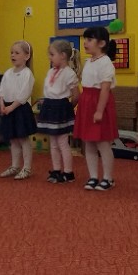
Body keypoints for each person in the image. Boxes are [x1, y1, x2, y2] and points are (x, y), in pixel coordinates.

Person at [73, 27, 118, 191]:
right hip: (87, 103)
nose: (85, 43)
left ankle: (108, 178)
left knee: (103, 143)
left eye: (89, 40)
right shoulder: (88, 62)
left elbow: (105, 89)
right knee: (89, 143)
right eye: (85, 39)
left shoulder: (106, 62)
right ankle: (93, 176)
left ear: (102, 43)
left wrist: (99, 110)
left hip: (99, 103)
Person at [36, 39, 80, 183]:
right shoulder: (51, 71)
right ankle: (56, 170)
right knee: (53, 142)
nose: (49, 57)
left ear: (62, 55)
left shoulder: (69, 73)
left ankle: (68, 172)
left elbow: (76, 95)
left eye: (52, 54)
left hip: (60, 107)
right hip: (49, 105)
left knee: (62, 142)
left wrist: (68, 108)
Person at [0, 40, 38, 180]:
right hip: (8, 107)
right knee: (13, 139)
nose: (13, 55)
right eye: (11, 52)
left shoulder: (27, 74)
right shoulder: (8, 73)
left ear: (26, 56)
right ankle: (14, 166)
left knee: (23, 139)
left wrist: (11, 107)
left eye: (17, 53)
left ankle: (27, 168)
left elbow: (24, 94)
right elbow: (1, 91)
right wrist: (2, 104)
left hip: (20, 109)